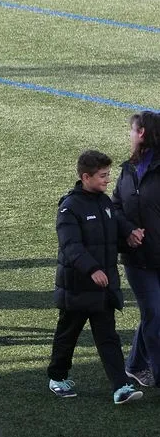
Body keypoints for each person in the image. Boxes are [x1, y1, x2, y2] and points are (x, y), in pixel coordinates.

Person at [47, 150, 143, 404]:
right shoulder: (69, 208)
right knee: (68, 336)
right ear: (86, 177)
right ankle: (57, 377)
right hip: (77, 288)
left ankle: (121, 386)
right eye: (102, 176)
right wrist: (93, 270)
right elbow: (72, 247)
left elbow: (110, 236)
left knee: (108, 337)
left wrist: (129, 236)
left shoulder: (104, 202)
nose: (107, 180)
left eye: (108, 175)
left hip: (103, 288)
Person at [111, 111, 160, 388]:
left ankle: (135, 365)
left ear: (141, 133)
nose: (129, 135)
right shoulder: (128, 169)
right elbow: (116, 206)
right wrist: (128, 230)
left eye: (132, 131)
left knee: (154, 314)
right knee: (154, 313)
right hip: (137, 258)